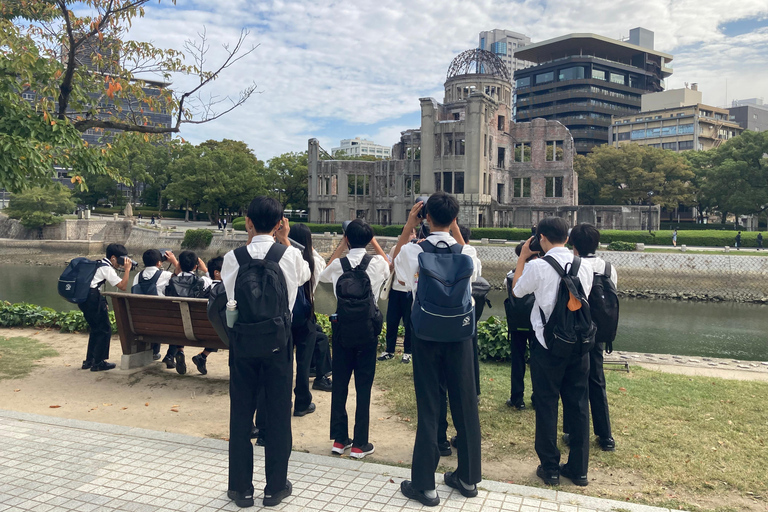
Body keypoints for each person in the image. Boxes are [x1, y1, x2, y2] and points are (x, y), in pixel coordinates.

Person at [221, 196, 310, 508]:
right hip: (278, 344)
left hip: (242, 344)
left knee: (241, 415)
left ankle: (241, 489)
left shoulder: (233, 258)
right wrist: (283, 239)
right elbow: (306, 277)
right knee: (277, 415)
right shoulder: (290, 257)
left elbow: (229, 297)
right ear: (279, 223)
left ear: (247, 221)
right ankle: (274, 488)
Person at [394, 193, 482, 507]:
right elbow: (473, 273)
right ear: (455, 218)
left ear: (425, 217)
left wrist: (409, 224)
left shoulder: (413, 251)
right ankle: (468, 479)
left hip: (426, 334)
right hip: (460, 335)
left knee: (429, 405)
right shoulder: (468, 252)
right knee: (465, 403)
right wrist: (452, 225)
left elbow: (400, 277)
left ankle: (424, 486)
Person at [512, 217, 594, 487]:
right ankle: (579, 469)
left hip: (548, 347)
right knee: (579, 405)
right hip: (579, 345)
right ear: (567, 238)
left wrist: (523, 257)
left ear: (542, 238)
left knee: (546, 404)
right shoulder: (585, 267)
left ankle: (550, 468)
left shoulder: (538, 266)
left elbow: (517, 291)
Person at [319, 219, 389, 460]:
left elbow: (323, 275)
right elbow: (390, 267)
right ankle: (360, 443)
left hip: (342, 330)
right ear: (369, 239)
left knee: (340, 385)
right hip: (368, 330)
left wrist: (341, 246)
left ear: (347, 239)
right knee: (363, 387)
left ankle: (339, 440)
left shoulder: (338, 265)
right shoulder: (378, 263)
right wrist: (374, 244)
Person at [562, 224, 617, 453]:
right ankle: (605, 437)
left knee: (573, 382)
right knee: (597, 381)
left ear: (573, 244)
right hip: (599, 331)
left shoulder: (574, 267)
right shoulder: (607, 267)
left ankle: (573, 431)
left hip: (577, 330)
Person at [79, 243, 133, 372]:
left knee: (95, 329)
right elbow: (123, 286)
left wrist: (103, 301)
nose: (121, 263)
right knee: (105, 329)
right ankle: (98, 362)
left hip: (85, 298)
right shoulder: (106, 268)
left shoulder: (98, 264)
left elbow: (96, 285)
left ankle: (89, 360)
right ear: (113, 258)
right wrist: (127, 270)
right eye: (120, 260)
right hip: (92, 299)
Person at [288, 223, 323, 417]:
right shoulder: (314, 262)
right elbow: (319, 260)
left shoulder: (285, 258)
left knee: (285, 362)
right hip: (307, 316)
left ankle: (284, 401)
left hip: (286, 316)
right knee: (303, 362)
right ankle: (302, 402)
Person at [163, 250, 213, 374]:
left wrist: (176, 270)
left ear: (179, 264)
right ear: (196, 266)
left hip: (175, 327)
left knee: (180, 318)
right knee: (217, 326)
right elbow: (217, 283)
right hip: (200, 328)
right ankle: (203, 355)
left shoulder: (170, 282)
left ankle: (179, 350)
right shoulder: (203, 281)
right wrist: (206, 270)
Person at [505, 242, 539, 411]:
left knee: (517, 360)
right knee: (537, 361)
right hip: (536, 323)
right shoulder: (540, 270)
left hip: (517, 323)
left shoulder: (511, 274)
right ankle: (537, 396)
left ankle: (517, 398)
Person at [131, 249, 178, 360]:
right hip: (161, 321)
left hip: (140, 320)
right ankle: (170, 356)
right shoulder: (165, 275)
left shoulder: (138, 276)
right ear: (159, 262)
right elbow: (183, 277)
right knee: (174, 320)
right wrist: (174, 261)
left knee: (152, 315)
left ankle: (154, 352)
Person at [378, 227, 416, 363]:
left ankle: (408, 352)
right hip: (395, 290)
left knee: (409, 323)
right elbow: (390, 266)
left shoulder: (416, 250)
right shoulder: (396, 248)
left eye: (412, 233)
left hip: (409, 291)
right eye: (408, 233)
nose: (410, 236)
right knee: (392, 321)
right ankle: (389, 350)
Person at [192, 256, 226, 375]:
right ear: (217, 273)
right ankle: (202, 356)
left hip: (201, 329)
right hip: (219, 331)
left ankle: (203, 356)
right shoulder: (225, 291)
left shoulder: (206, 287)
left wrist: (207, 271)